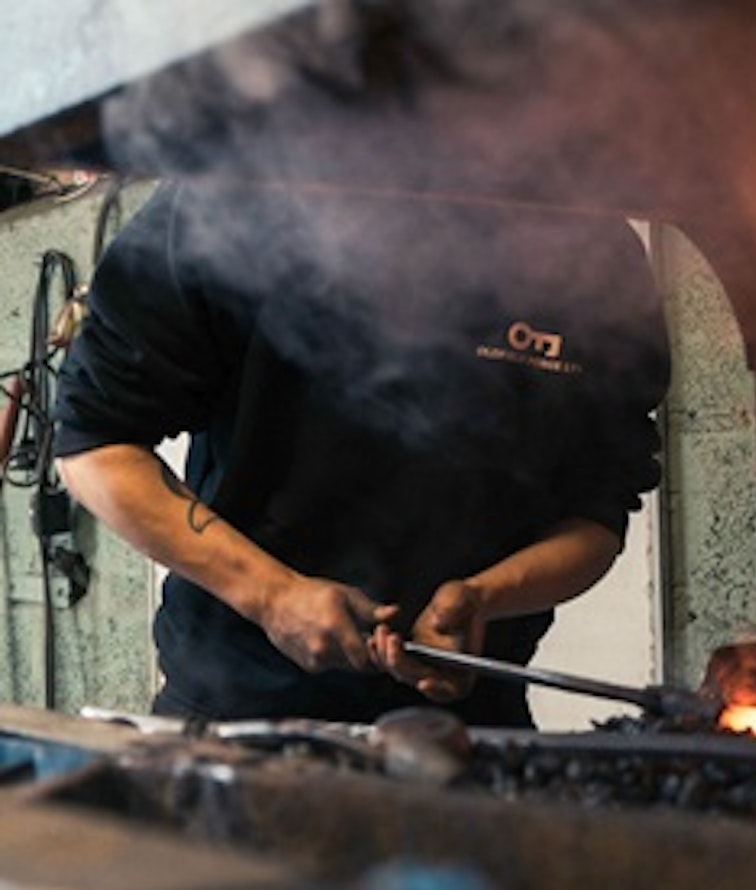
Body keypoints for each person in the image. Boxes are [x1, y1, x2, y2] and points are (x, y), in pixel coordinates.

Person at [53, 180, 669, 726]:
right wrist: (272, 596)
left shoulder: (591, 251)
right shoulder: (232, 196)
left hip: (470, 726)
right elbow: (93, 443)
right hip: (240, 714)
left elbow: (599, 512)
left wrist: (485, 598)